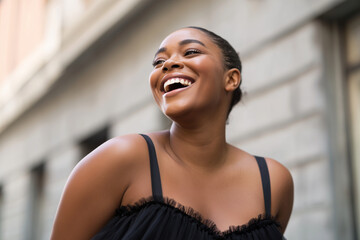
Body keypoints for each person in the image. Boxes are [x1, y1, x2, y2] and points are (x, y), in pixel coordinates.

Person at [51, 26, 293, 240]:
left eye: (191, 52)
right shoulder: (120, 158)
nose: (167, 64)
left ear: (230, 79)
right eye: (158, 62)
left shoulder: (273, 182)